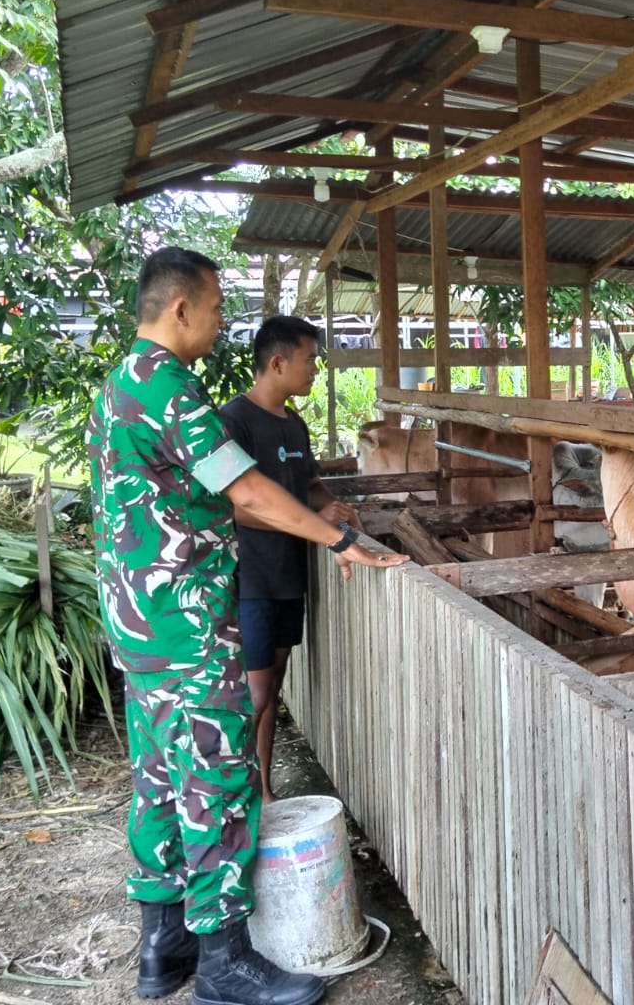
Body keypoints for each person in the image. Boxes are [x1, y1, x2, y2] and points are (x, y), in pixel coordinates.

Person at [87, 248, 406, 1005]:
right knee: (217, 779)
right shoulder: (169, 389)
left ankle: (164, 947)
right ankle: (226, 961)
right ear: (181, 310)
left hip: (139, 623)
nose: (221, 321)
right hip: (187, 624)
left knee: (160, 777)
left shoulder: (118, 385)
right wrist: (339, 539)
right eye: (217, 307)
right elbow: (248, 492)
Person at [219, 316, 356, 805]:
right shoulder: (233, 421)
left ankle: (263, 791)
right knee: (254, 695)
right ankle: (225, 795)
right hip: (250, 579)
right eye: (309, 360)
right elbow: (235, 507)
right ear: (277, 363)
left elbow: (310, 485)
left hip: (287, 576)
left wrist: (332, 508)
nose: (315, 369)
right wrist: (312, 522)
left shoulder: (293, 423)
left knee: (272, 687)